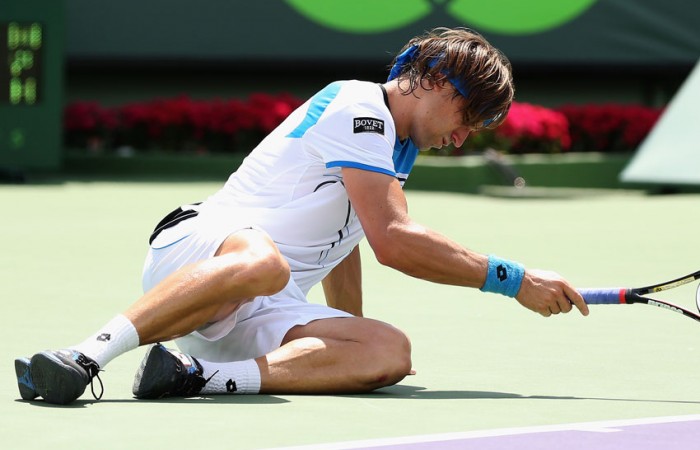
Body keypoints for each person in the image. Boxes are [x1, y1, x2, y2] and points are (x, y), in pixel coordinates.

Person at [15, 27, 589, 405]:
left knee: (390, 349)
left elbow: (354, 237)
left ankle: (192, 375)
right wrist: (515, 280)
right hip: (194, 250)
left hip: (254, 310)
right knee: (266, 264)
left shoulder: (399, 148)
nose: (463, 137)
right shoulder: (359, 105)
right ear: (436, 79)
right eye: (467, 115)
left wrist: (353, 337)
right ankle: (83, 355)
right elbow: (394, 239)